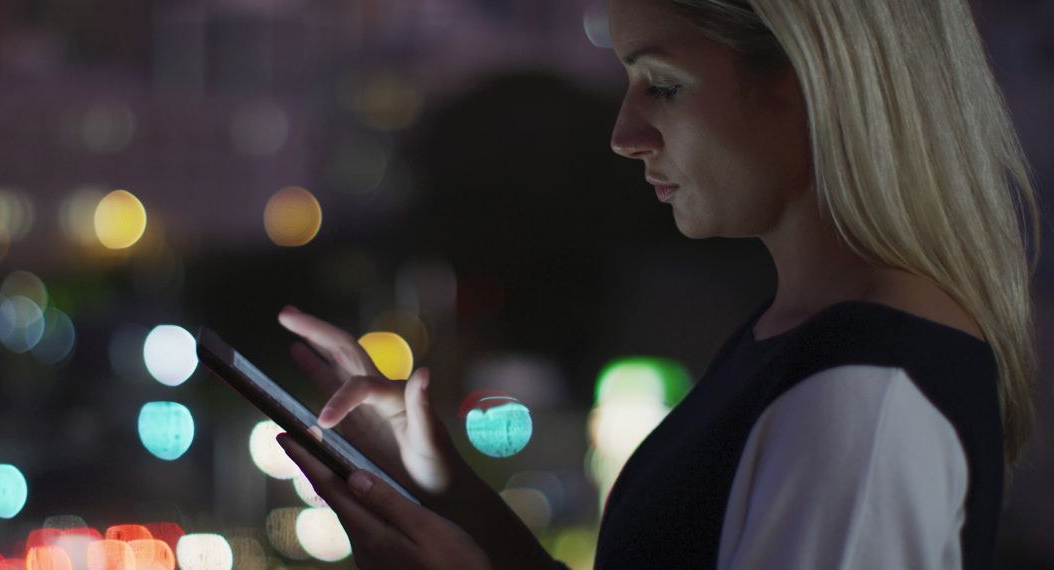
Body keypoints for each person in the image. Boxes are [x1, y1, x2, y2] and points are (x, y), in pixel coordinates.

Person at [275, 0, 1041, 567]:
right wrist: (450, 492)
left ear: (811, 81)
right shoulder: (809, 342)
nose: (624, 135)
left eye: (663, 85)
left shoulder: (863, 389)